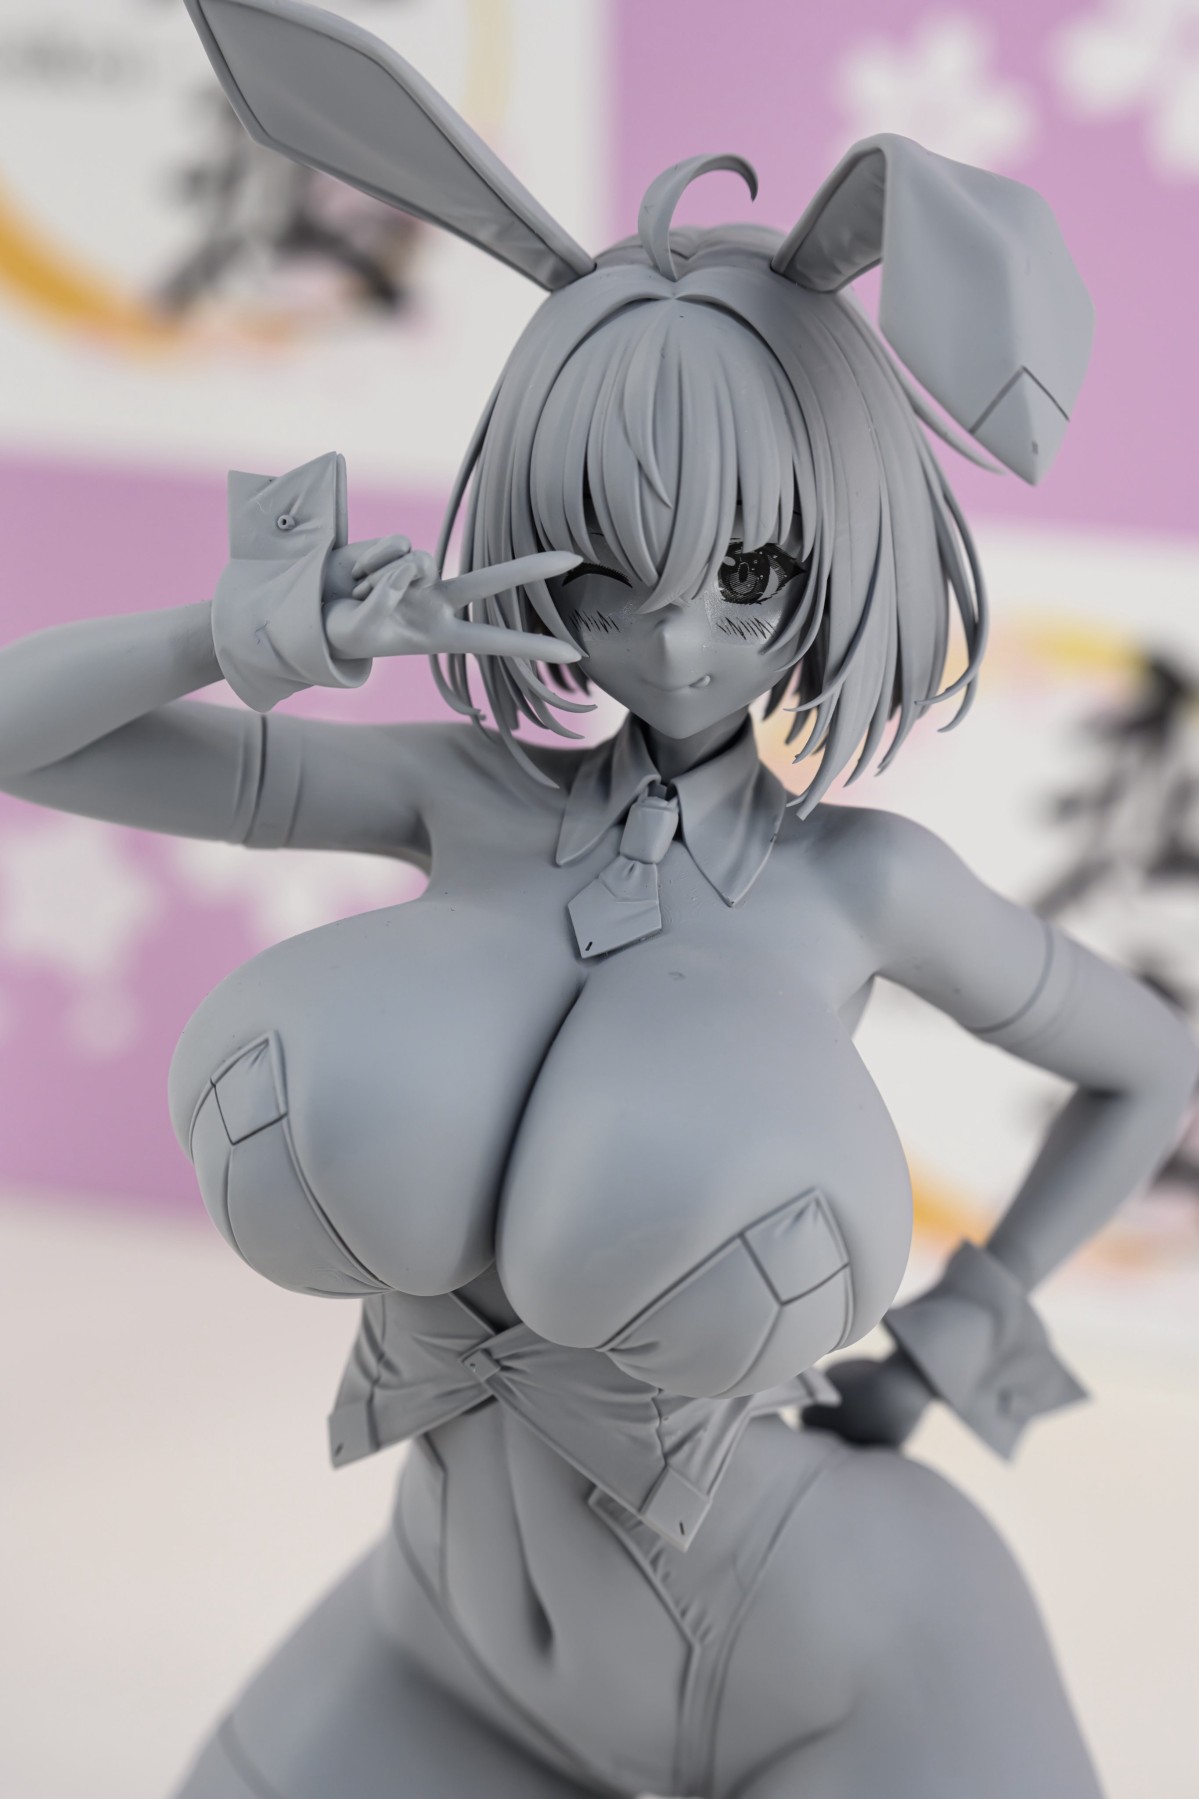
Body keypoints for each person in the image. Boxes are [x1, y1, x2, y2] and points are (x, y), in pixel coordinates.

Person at [2, 4, 1193, 1794]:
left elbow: (1151, 1059)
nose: (678, 639)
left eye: (750, 573)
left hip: (835, 1657)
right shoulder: (462, 795)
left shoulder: (860, 886)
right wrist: (263, 634)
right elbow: (26, 739)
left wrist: (962, 1333)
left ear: (837, 550)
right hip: (439, 1635)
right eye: (611, 574)